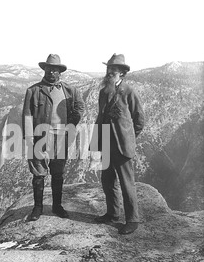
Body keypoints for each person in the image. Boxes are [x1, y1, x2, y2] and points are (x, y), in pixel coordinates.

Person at [22, 54, 85, 221]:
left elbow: (79, 109)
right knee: (38, 173)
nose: (51, 72)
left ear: (60, 72)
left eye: (55, 70)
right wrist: (28, 137)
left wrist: (70, 126)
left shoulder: (70, 91)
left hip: (60, 138)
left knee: (58, 174)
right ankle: (38, 208)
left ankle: (57, 206)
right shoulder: (33, 91)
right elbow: (27, 115)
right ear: (44, 70)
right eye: (48, 69)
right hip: (39, 137)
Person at [90, 53, 145, 234]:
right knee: (107, 180)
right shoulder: (104, 92)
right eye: (109, 69)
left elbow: (139, 120)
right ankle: (112, 214)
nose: (110, 72)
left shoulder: (129, 92)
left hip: (122, 146)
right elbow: (101, 117)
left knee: (126, 183)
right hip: (106, 143)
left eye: (114, 70)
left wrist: (128, 137)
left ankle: (132, 219)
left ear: (122, 73)